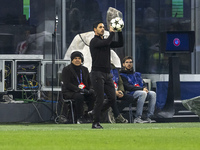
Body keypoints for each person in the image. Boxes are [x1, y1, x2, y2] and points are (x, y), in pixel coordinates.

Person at [89, 21, 123, 129]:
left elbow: (120, 44)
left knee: (112, 99)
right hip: (97, 73)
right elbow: (106, 43)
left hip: (107, 74)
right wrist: (112, 33)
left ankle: (94, 112)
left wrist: (119, 32)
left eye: (103, 27)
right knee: (99, 98)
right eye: (100, 27)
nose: (102, 29)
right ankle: (95, 123)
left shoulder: (106, 41)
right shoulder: (94, 41)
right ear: (95, 29)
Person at [120, 56, 156, 123]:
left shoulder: (137, 74)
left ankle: (148, 116)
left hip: (141, 91)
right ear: (123, 64)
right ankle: (137, 117)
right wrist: (142, 89)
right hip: (131, 93)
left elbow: (143, 83)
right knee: (143, 93)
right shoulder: (122, 75)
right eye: (127, 62)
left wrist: (145, 88)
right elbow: (128, 87)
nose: (129, 64)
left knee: (153, 94)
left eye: (130, 62)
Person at [62, 51, 95, 124]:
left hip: (83, 90)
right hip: (70, 92)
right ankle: (80, 117)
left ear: (82, 60)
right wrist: (79, 90)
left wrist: (90, 89)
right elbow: (67, 84)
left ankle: (89, 115)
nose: (77, 60)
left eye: (79, 58)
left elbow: (89, 82)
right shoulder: (66, 69)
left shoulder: (85, 69)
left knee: (92, 95)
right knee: (79, 96)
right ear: (72, 60)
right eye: (75, 58)